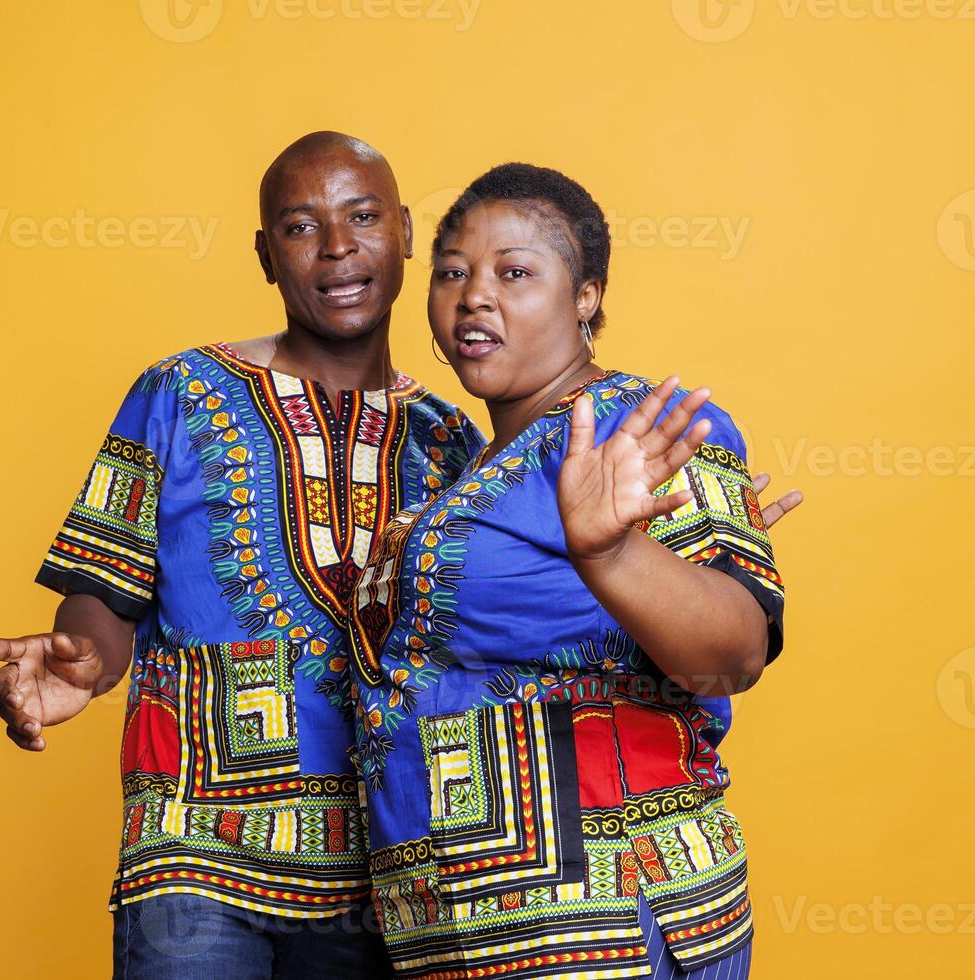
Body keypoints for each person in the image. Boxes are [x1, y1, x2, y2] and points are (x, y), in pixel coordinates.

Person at [0, 132, 486, 979]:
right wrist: (84, 664)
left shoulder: (453, 443)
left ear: (404, 231)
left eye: (361, 217)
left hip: (388, 873)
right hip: (194, 851)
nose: (336, 249)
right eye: (299, 227)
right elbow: (103, 592)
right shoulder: (177, 391)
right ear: (264, 255)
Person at [349, 163, 792, 979]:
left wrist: (612, 552)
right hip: (458, 930)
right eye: (452, 272)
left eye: (515, 272)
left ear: (586, 295)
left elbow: (733, 656)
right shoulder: (463, 464)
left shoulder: (644, 426)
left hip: (598, 920)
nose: (474, 295)